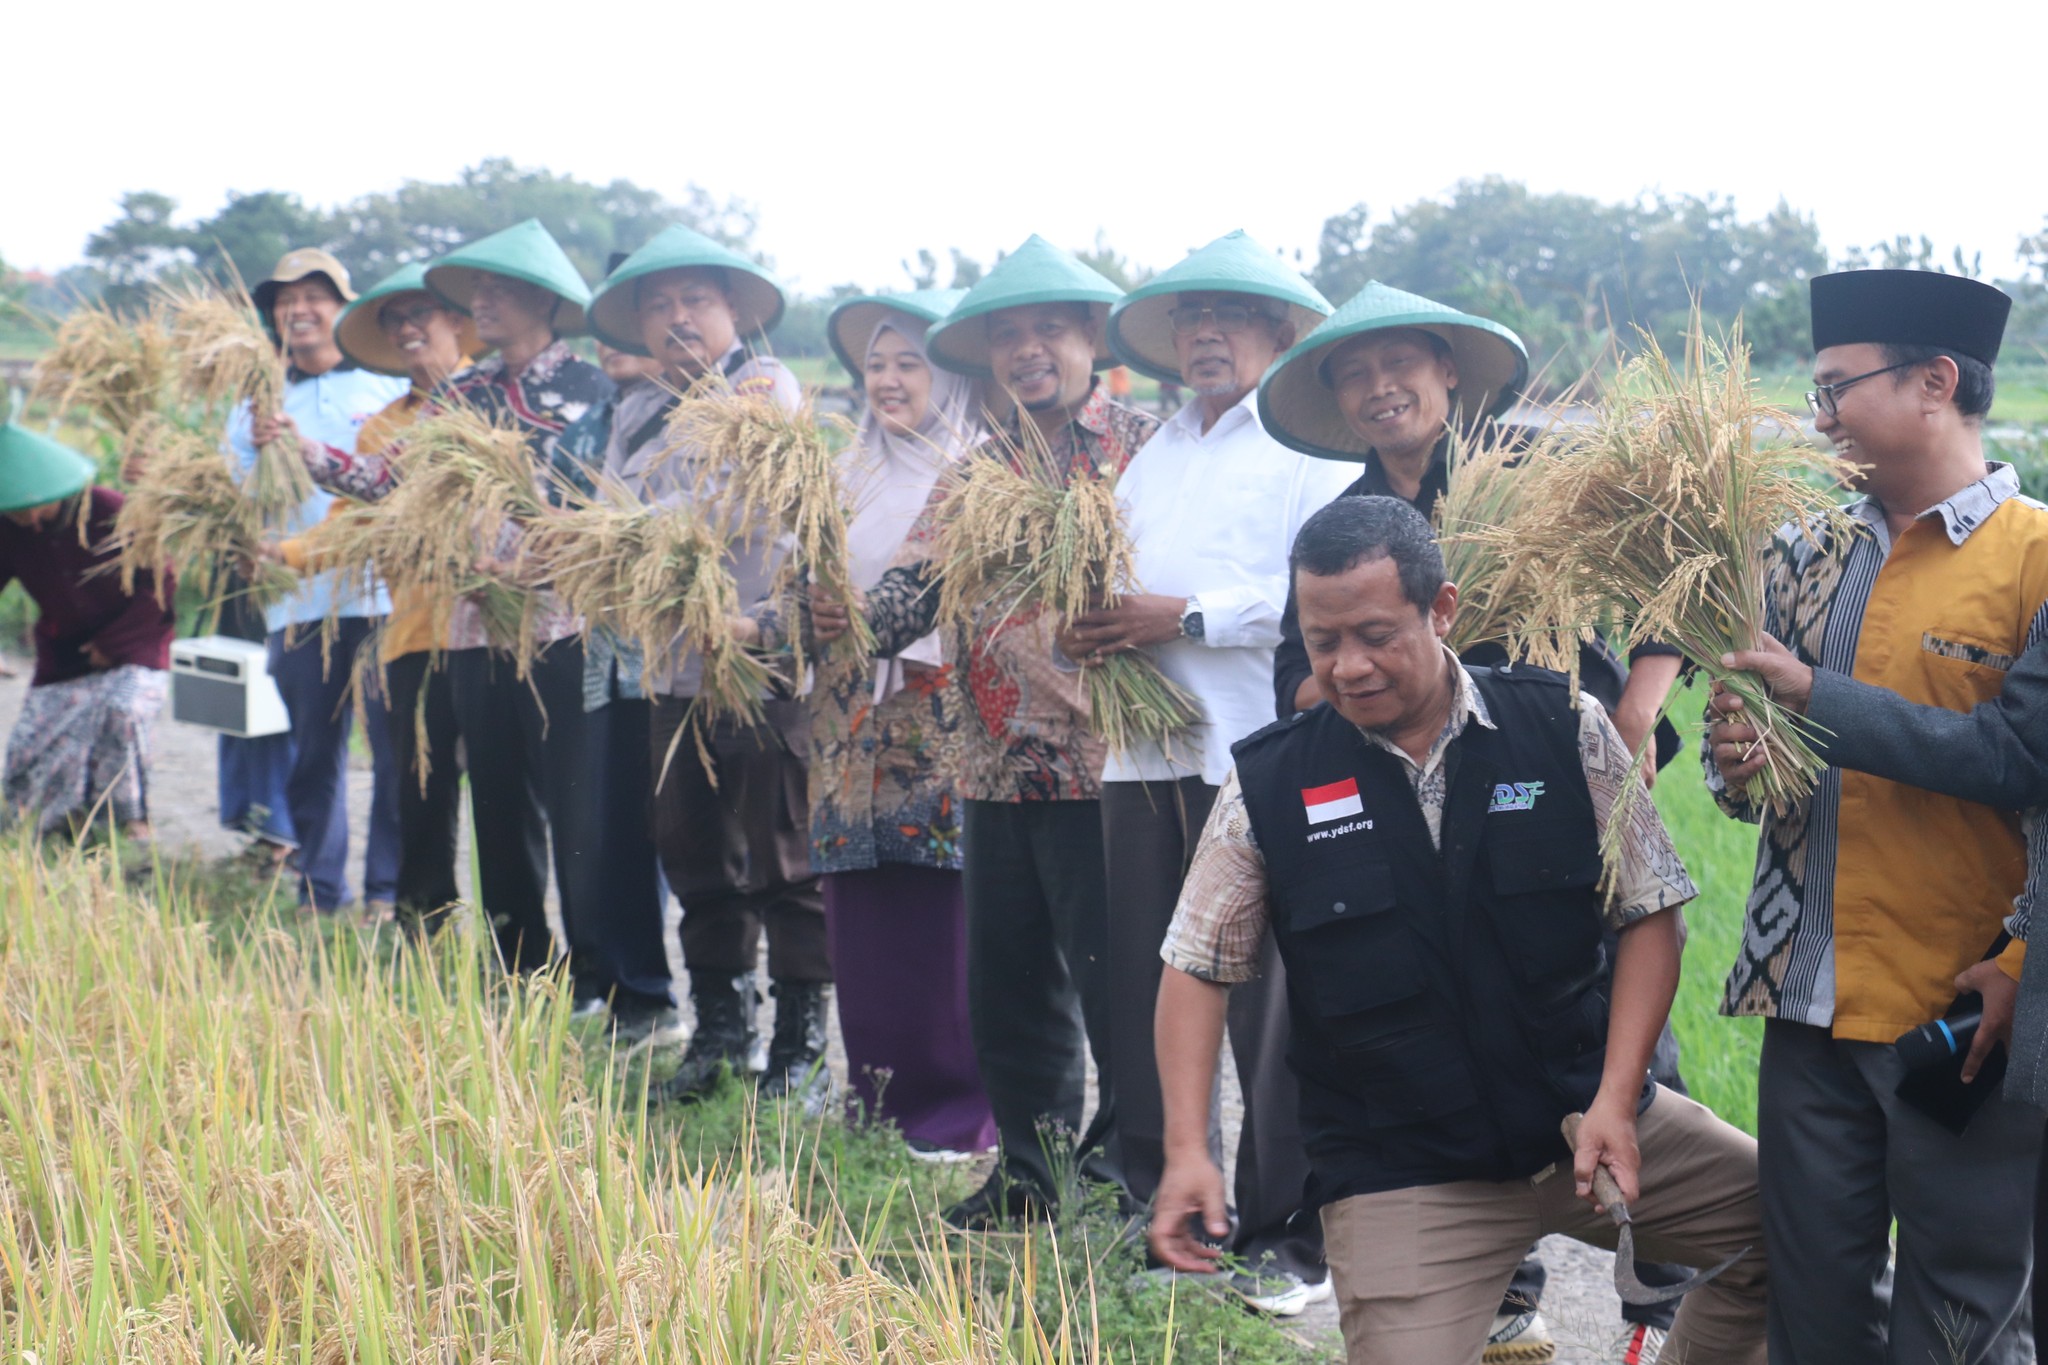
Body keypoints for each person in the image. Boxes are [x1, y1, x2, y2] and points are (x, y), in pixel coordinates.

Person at [1149, 495, 1767, 1363]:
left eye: (1375, 635)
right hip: (1404, 1170)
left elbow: (1651, 912)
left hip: (1585, 1123)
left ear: (1442, 610)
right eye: (1323, 642)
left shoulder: (1563, 726)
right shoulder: (1271, 782)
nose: (1348, 666)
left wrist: (1616, 1097)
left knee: (1796, 1227)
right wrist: (1187, 1148)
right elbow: (1195, 964)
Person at [1258, 280, 1692, 1358]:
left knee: (1603, 988)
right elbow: (1294, 681)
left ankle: (1664, 1285)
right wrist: (1384, 656)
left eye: (1398, 363)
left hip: (1555, 779)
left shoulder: (1536, 474)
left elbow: (1668, 576)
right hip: (1415, 807)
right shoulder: (1347, 527)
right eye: (1353, 375)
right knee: (1448, 1019)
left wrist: (1638, 707)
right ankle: (1503, 1292)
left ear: (1448, 370)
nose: (1378, 387)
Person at [1703, 268, 2044, 1363]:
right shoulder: (1798, 552)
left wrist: (2023, 962)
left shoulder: (2036, 558)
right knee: (1811, 1321)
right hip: (1807, 1006)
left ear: (1934, 382)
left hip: (1965, 1011)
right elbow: (1733, 775)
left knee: (1959, 1321)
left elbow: (2026, 760)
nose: (1819, 419)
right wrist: (1735, 760)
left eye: (1834, 388)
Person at [1058, 231, 1352, 1314]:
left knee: (1270, 1004)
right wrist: (1091, 622)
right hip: (1143, 753)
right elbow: (1115, 579)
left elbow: (1328, 598)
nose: (1205, 334)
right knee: (1151, 980)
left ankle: (1287, 1233)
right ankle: (1166, 1203)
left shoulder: (1310, 445)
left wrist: (1184, 616)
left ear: (1279, 330)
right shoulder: (1156, 450)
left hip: (1252, 750)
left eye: (1228, 315)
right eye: (1189, 317)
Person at [842, 236, 1157, 1226]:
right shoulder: (976, 473)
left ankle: (1132, 1179)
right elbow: (908, 591)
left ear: (1092, 336)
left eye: (1047, 330)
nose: (1027, 350)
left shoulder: (1144, 452)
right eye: (1007, 335)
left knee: (1120, 989)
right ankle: (1030, 1171)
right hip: (986, 764)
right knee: (1009, 988)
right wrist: (837, 616)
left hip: (1105, 763)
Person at [265, 221, 624, 997]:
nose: (480, 302)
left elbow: (608, 506)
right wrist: (306, 449)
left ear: (542, 300)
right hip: (470, 627)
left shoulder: (591, 391)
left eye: (496, 290)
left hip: (563, 625)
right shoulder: (463, 394)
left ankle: (598, 976)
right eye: (476, 291)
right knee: (497, 808)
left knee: (576, 809)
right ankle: (521, 968)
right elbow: (389, 481)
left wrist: (541, 550)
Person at [735, 288, 997, 1157]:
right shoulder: (845, 477)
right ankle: (879, 1099)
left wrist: (837, 618)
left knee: (939, 911)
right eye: (876, 364)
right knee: (863, 915)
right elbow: (804, 594)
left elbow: (935, 596)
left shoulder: (977, 475)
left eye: (908, 363)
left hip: (940, 721)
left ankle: (958, 1113)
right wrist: (750, 626)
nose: (888, 380)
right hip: (847, 723)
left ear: (948, 376)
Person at [584, 224, 830, 1099]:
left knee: (782, 854)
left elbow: (736, 499)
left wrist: (629, 530)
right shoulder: (636, 408)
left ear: (731, 308)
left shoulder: (762, 386)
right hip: (672, 666)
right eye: (657, 305)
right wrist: (603, 540)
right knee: (690, 848)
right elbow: (606, 511)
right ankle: (720, 1034)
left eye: (694, 299)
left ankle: (800, 1047)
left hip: (760, 655)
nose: (676, 317)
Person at [285, 261, 481, 931]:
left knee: (507, 794)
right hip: (415, 630)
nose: (405, 328)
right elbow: (357, 519)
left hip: (495, 628)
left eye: (418, 313)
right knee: (416, 788)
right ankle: (422, 932)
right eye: (394, 320)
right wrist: (285, 554)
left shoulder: (492, 403)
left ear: (456, 319)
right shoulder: (384, 427)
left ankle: (519, 949)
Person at [235, 248, 408, 916]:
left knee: (400, 751)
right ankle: (320, 889)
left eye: (315, 296)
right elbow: (237, 500)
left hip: (389, 597)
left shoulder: (387, 387)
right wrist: (259, 451)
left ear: (343, 308)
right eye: (285, 300)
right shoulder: (256, 403)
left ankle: (389, 891)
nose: (298, 309)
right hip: (300, 602)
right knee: (314, 754)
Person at [0, 422, 175, 845]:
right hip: (65, 653)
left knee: (122, 712)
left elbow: (160, 583)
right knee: (30, 742)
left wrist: (113, 645)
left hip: (136, 645)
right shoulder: (8, 528)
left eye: (25, 507)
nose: (20, 516)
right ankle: (49, 820)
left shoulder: (111, 510)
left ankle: (130, 821)